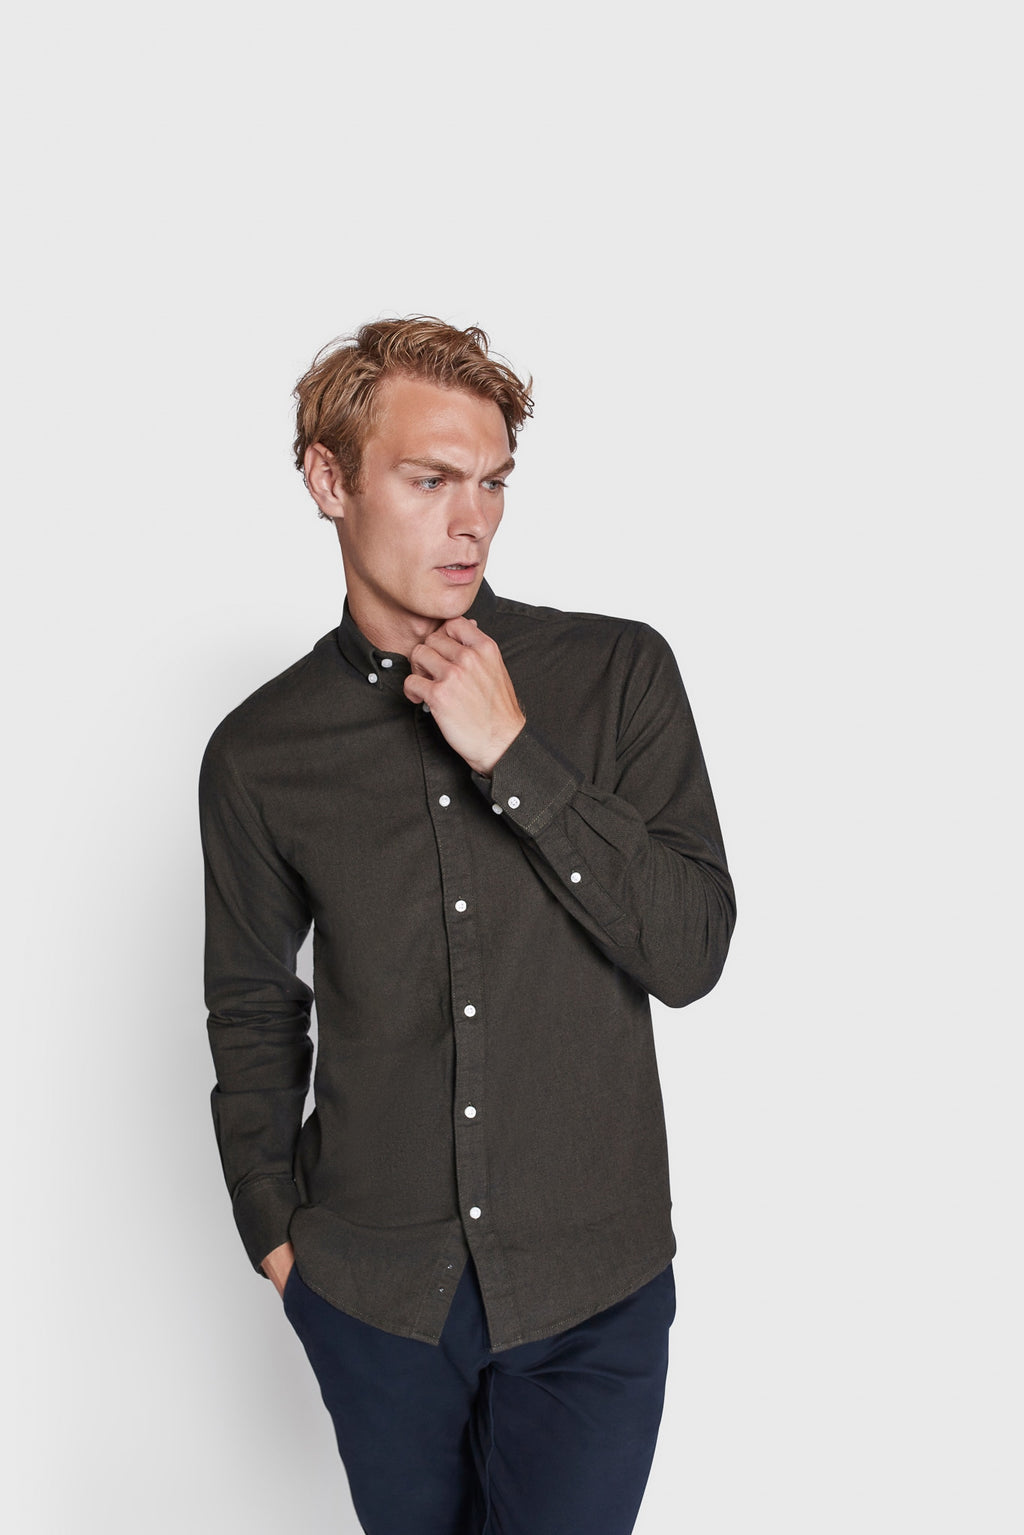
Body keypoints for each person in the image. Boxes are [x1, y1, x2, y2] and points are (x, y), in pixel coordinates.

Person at [199, 316, 735, 1534]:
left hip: (591, 1289)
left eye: (492, 482)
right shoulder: (260, 751)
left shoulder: (616, 675)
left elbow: (691, 949)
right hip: (377, 1297)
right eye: (431, 479)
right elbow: (252, 1003)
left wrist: (514, 756)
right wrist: (274, 1232)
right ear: (328, 479)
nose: (472, 520)